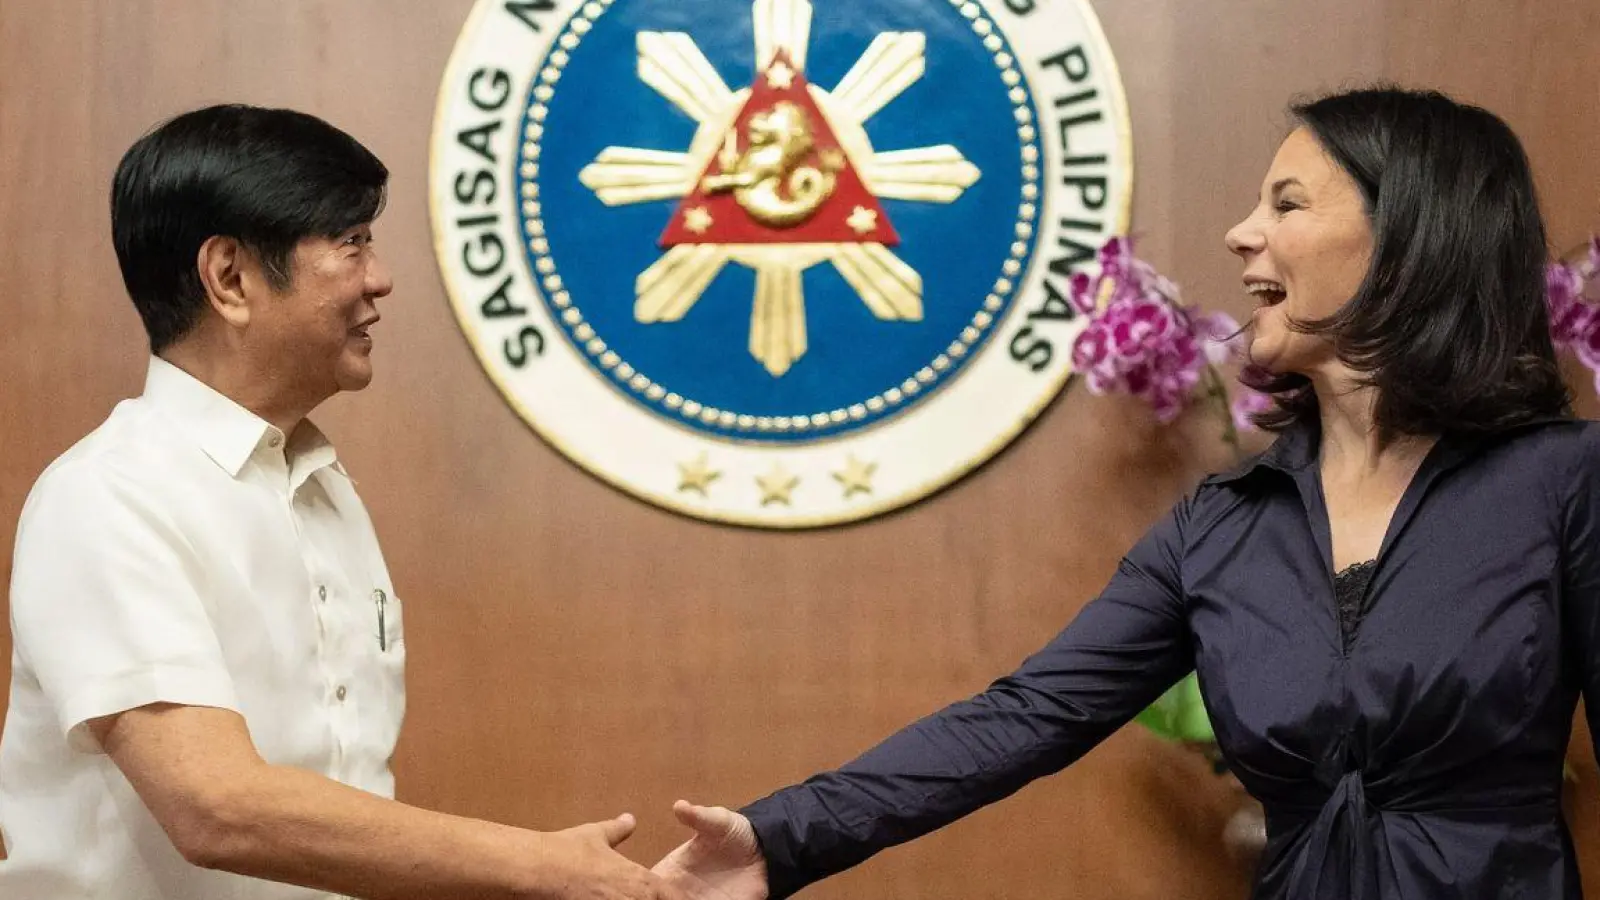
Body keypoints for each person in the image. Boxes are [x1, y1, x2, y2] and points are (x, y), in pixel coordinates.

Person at [650, 86, 1597, 898]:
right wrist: (777, 838)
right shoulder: (1219, 526)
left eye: (1289, 204)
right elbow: (1023, 716)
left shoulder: (1565, 485)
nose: (1243, 233)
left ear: (1410, 235)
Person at [0, 104, 683, 900]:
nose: (380, 277)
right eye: (350, 243)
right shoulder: (110, 496)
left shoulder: (320, 486)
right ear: (230, 277)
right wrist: (535, 865)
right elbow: (213, 806)